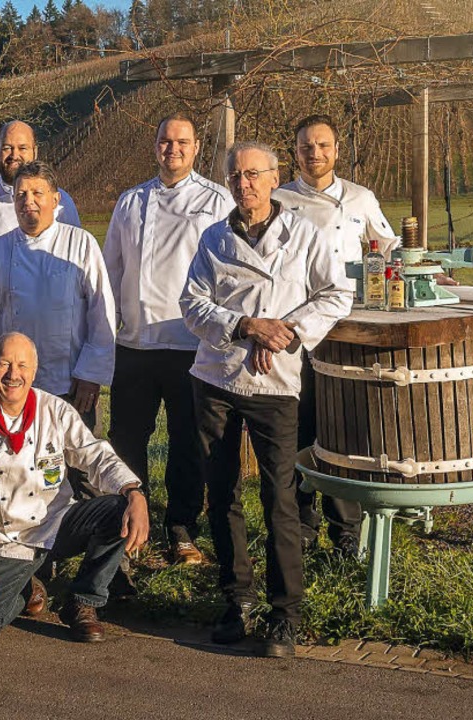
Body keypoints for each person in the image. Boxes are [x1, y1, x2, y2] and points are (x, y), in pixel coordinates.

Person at [180, 142, 353, 656]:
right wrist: (244, 326)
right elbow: (192, 303)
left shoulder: (304, 234)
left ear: (275, 178)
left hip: (275, 383)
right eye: (235, 177)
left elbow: (335, 293)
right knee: (222, 490)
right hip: (216, 377)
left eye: (253, 175)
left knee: (279, 497)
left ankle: (285, 613)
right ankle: (237, 599)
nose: (243, 185)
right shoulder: (214, 237)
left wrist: (287, 333)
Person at [0, 332, 149, 645]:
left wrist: (134, 493)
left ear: (34, 371)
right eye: (5, 364)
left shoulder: (54, 411)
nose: (13, 374)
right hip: (5, 542)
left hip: (55, 525)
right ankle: (23, 587)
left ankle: (83, 603)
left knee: (117, 510)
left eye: (22, 365)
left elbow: (95, 453)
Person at [102, 112, 234, 565]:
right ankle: (129, 526)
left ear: (196, 147)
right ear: (154, 145)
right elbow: (112, 270)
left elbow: (224, 271)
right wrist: (111, 327)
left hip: (188, 343)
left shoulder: (217, 201)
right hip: (135, 344)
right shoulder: (130, 201)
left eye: (182, 141)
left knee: (185, 442)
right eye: (164, 141)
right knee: (127, 439)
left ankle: (181, 529)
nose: (172, 149)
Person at [273, 114, 400, 555]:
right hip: (299, 329)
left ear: (337, 151)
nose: (315, 154)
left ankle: (345, 531)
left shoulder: (361, 199)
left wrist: (427, 270)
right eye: (306, 147)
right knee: (301, 426)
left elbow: (389, 248)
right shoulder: (280, 199)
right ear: (295, 153)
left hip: (347, 330)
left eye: (323, 146)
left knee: (343, 428)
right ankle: (301, 525)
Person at [0, 160, 115, 430]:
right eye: (21, 195)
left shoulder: (80, 243)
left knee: (78, 465)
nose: (29, 202)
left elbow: (101, 312)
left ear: (56, 199)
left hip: (70, 383)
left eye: (38, 193)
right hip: (13, 386)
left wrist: (91, 375)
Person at [0, 120, 82, 253]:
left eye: (22, 148)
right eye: (7, 148)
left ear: (35, 151)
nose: (14, 155)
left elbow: (74, 252)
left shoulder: (61, 201)